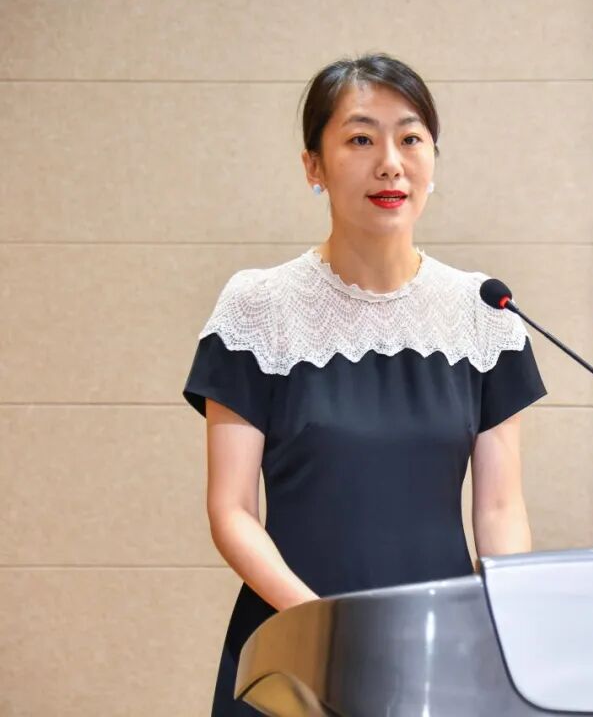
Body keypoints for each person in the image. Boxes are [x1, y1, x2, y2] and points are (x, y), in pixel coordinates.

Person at [182, 53, 546, 715]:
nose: (390, 163)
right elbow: (231, 510)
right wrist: (326, 629)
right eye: (359, 139)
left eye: (411, 138)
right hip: (293, 650)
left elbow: (499, 510)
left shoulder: (484, 312)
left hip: (438, 658)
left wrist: (500, 613)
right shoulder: (257, 308)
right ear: (313, 167)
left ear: (434, 158)